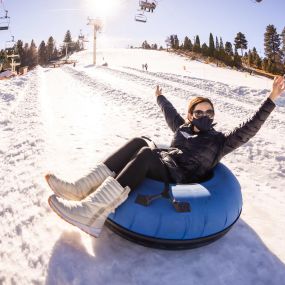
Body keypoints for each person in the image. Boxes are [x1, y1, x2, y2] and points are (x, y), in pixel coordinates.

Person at [45, 76, 285, 237]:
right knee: (140, 141)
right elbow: (169, 113)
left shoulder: (219, 141)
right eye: (199, 111)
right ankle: (79, 188)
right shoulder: (182, 129)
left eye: (209, 112)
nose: (205, 115)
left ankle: (90, 213)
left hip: (182, 179)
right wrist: (160, 97)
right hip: (167, 164)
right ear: (190, 115)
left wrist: (271, 99)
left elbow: (250, 128)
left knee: (147, 155)